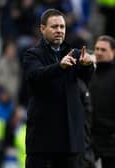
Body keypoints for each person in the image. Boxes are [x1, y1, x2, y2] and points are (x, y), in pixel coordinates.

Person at [23, 8, 95, 168]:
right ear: (42, 29)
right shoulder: (32, 55)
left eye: (62, 27)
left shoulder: (74, 53)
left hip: (69, 142)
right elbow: (35, 76)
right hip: (43, 141)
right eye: (54, 27)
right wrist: (59, 67)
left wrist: (87, 66)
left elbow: (86, 79)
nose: (59, 31)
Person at [89, 35, 115, 168]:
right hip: (91, 139)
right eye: (97, 49)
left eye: (103, 50)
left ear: (113, 52)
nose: (98, 52)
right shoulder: (89, 73)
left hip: (111, 141)